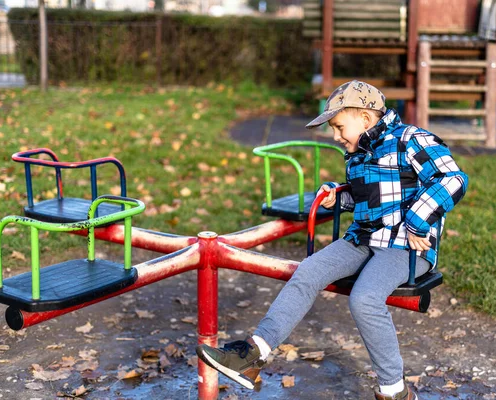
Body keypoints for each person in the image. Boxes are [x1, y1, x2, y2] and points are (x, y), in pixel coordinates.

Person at [196, 80, 469, 400]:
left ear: (365, 120)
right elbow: (369, 196)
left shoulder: (412, 140)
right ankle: (253, 355)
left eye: (339, 127)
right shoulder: (356, 154)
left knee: (364, 299)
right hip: (363, 239)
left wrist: (418, 222)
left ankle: (395, 390)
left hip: (405, 247)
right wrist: (338, 196)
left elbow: (452, 178)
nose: (336, 136)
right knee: (308, 270)